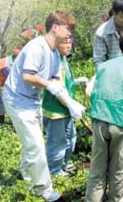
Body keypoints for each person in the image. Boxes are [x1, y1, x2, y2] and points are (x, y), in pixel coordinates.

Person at [3, 11, 85, 202]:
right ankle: (44, 190)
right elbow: (28, 76)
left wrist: (71, 103)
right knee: (37, 145)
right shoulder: (37, 47)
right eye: (68, 30)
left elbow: (56, 82)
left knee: (33, 140)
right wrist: (49, 85)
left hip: (33, 100)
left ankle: (27, 174)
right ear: (55, 27)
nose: (69, 35)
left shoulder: (55, 53)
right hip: (17, 99)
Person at [86, 29, 123, 202]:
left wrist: (98, 109)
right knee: (119, 168)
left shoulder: (104, 66)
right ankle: (116, 199)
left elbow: (89, 91)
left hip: (100, 121)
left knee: (97, 168)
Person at [42, 37, 88, 176]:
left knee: (70, 138)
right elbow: (57, 89)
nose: (68, 46)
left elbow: (65, 82)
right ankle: (54, 171)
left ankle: (63, 164)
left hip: (65, 109)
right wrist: (72, 104)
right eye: (65, 43)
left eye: (70, 43)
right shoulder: (54, 61)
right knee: (57, 142)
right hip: (55, 111)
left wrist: (75, 82)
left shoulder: (64, 59)